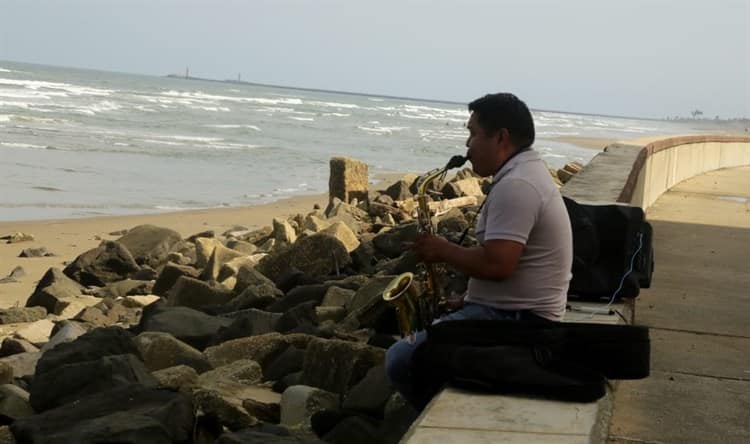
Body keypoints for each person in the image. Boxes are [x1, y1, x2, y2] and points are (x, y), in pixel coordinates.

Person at [385, 92, 573, 407]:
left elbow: (498, 266)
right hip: (515, 311)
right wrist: (468, 300)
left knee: (400, 358)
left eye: (472, 134)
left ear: (502, 138)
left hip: (522, 322)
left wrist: (442, 250)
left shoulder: (518, 185)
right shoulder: (522, 174)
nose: (467, 146)